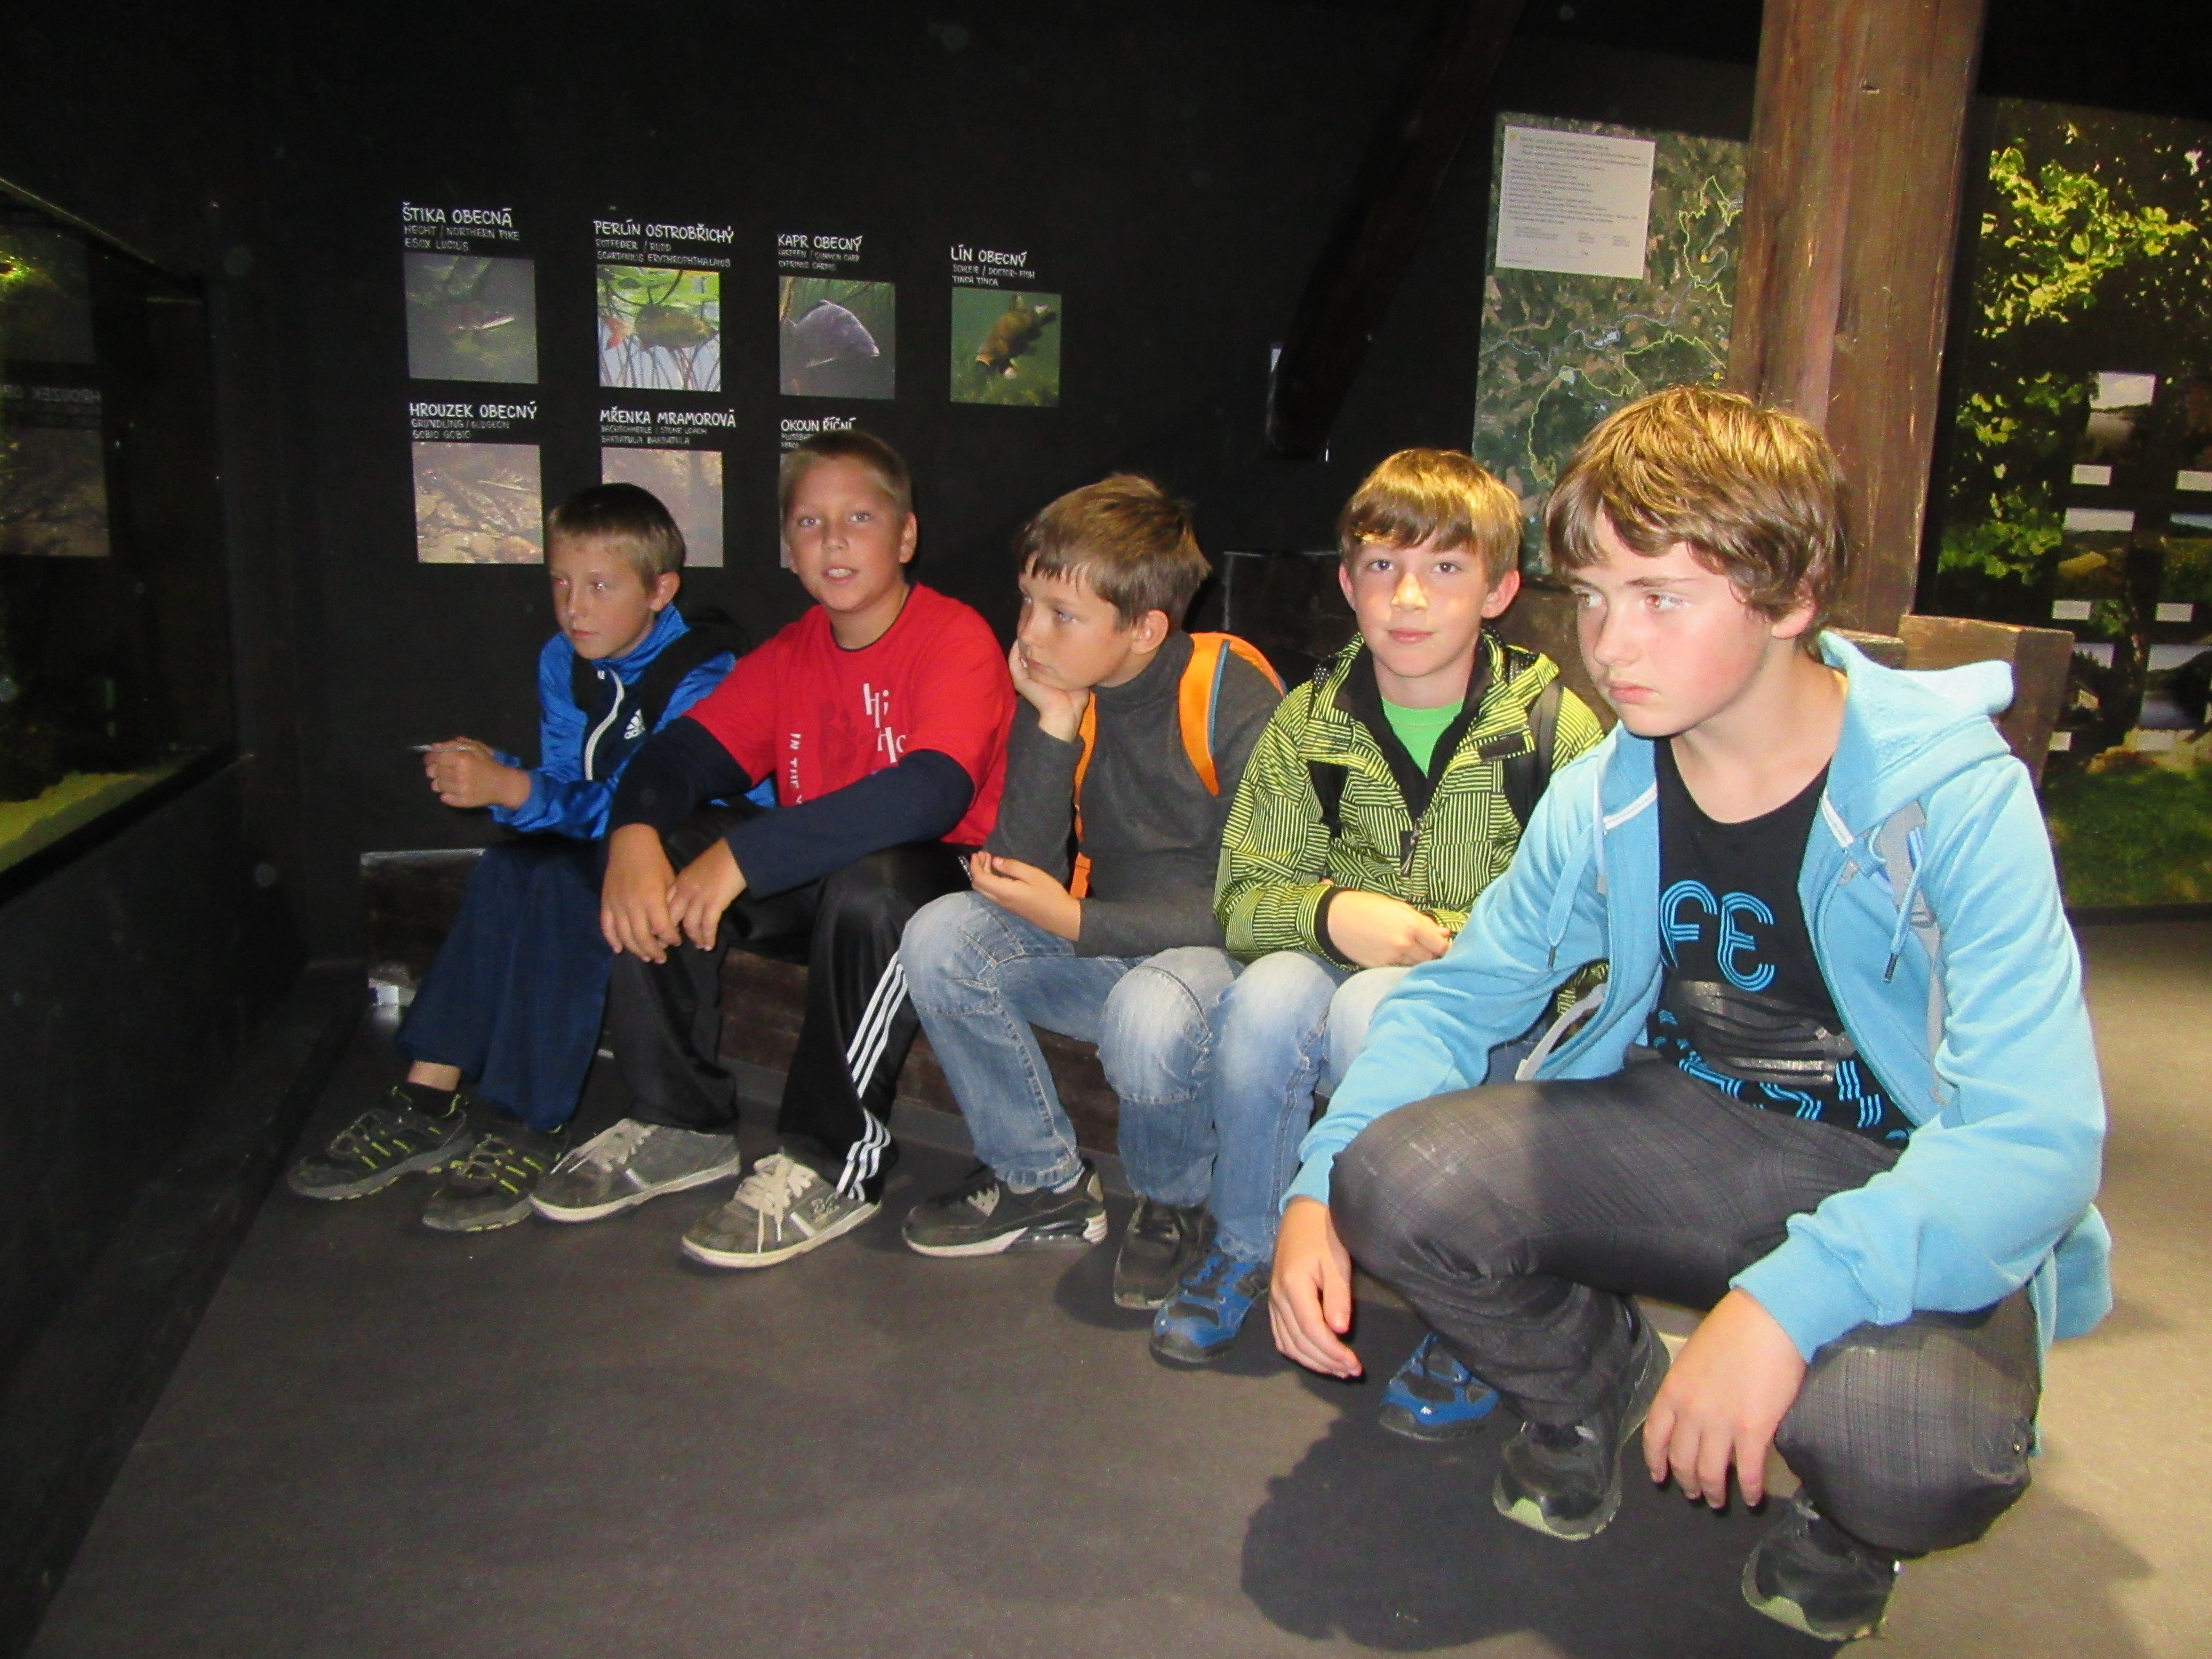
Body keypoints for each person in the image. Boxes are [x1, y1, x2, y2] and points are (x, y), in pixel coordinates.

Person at [1269, 386, 2110, 1642]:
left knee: (1917, 1452)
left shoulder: (1952, 799)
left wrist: (1785, 1306)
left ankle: (1847, 1527)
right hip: (1685, 1133)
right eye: (1593, 598)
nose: (1611, 646)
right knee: (1392, 1181)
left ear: (1792, 595)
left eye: (1662, 598)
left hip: (1897, 1168)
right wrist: (1315, 1180)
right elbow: (1463, 996)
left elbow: (2035, 1137)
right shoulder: (1606, 792)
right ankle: (1595, 1384)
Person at [1138, 449, 1603, 1374]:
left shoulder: (1556, 730)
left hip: (1490, 1013)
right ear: (1350, 585)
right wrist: (1332, 913)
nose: (1410, 598)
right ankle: (1248, 1241)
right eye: (1384, 566)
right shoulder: (1310, 721)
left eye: (1447, 568)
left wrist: (1472, 955)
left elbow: (1591, 934)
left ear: (1500, 591)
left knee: (1373, 1010)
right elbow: (1243, 896)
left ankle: (1459, 1294)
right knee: (1267, 995)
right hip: (1342, 964)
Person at [533, 431, 1015, 1271]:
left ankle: (833, 1162)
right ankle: (678, 1120)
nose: (833, 541)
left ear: (905, 536)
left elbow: (930, 795)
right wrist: (634, 836)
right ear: (788, 546)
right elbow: (678, 759)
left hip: (950, 888)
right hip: (828, 878)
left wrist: (747, 858)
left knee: (874, 883)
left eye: (859, 519)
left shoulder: (953, 636)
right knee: (666, 843)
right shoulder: (790, 654)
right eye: (809, 523)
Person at [288, 483, 742, 1229]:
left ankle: (530, 1120)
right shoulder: (564, 659)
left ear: (661, 591)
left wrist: (511, 788)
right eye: (561, 583)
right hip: (617, 839)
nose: (575, 608)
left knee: (563, 884)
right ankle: (428, 1096)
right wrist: (498, 777)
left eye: (600, 587)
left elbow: (649, 805)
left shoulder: (705, 672)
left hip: (703, 846)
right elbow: (567, 781)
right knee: (510, 866)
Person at [898, 476, 1281, 1305]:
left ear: (1145, 628)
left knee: (1151, 1011)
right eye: (1028, 602)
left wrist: (1077, 919)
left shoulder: (1230, 692)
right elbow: (1018, 872)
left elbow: (1256, 902)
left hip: (1226, 963)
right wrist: (1052, 720)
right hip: (1114, 944)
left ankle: (1172, 1202)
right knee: (940, 936)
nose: (1030, 633)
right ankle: (1044, 1183)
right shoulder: (1074, 690)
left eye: (1061, 615)